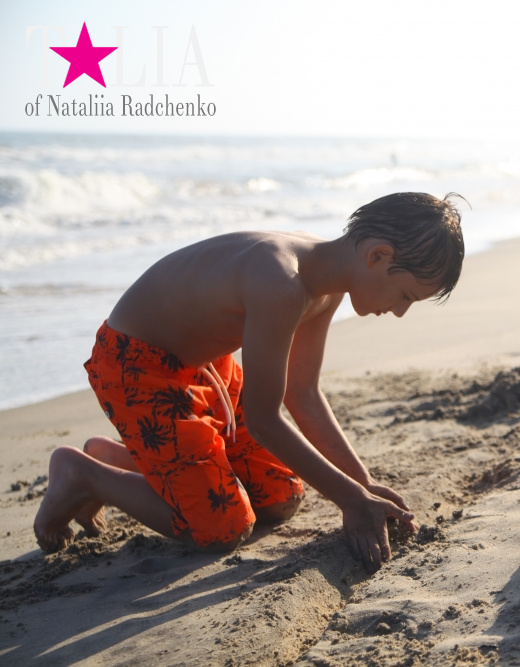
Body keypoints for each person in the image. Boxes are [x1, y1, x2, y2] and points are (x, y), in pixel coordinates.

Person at [33, 192, 465, 572]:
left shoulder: (329, 285)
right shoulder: (282, 281)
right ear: (378, 256)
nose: (401, 311)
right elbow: (263, 418)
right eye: (406, 295)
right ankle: (83, 475)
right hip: (138, 367)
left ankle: (121, 459)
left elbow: (303, 394)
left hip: (207, 365)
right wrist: (350, 501)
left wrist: (360, 482)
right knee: (221, 527)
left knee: (280, 496)